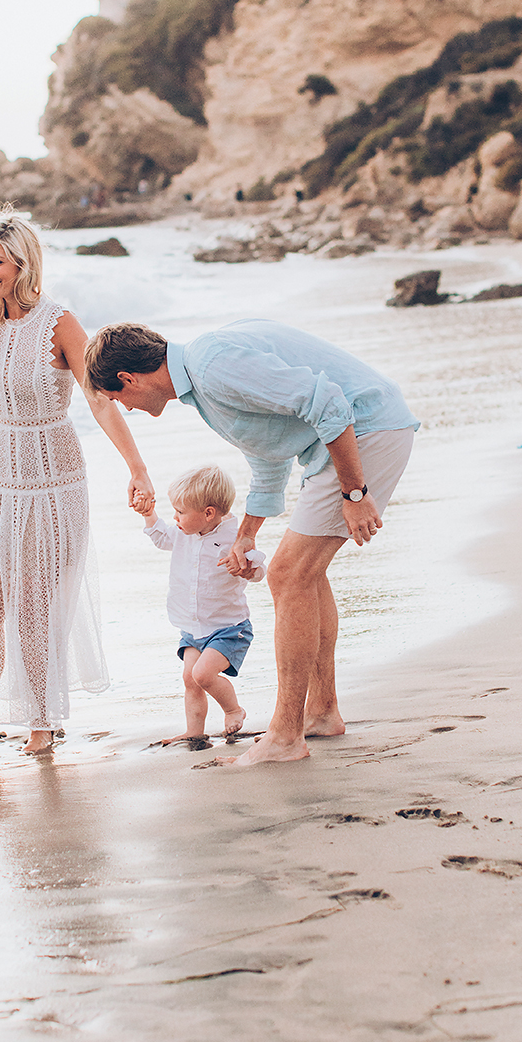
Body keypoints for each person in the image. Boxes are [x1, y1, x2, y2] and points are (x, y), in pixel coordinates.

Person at [83, 319, 419, 766]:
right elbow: (269, 451)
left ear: (128, 379)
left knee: (287, 574)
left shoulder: (210, 363)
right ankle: (321, 712)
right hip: (347, 438)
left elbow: (326, 400)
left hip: (367, 431)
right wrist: (245, 536)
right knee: (305, 573)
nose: (125, 409)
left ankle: (285, 734)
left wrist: (354, 493)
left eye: (117, 399)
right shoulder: (201, 384)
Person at [0, 211, 154, 755]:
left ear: (21, 263)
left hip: (52, 475)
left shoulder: (60, 323)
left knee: (35, 603)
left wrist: (137, 468)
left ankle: (41, 722)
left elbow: (98, 399)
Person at [137, 464, 266, 744]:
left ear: (208, 513)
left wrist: (246, 568)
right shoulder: (183, 533)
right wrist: (149, 514)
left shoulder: (235, 535)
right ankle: (194, 730)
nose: (176, 518)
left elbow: (258, 569)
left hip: (229, 628)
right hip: (193, 627)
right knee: (190, 679)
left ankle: (234, 710)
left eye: (181, 512)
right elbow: (160, 537)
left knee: (203, 674)